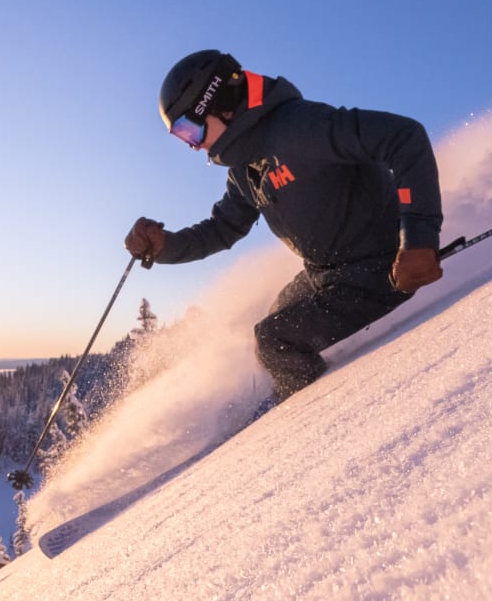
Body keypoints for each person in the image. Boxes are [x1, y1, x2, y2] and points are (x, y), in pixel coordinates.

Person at [127, 49, 445, 401]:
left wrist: (418, 239)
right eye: (183, 137)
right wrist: (164, 246)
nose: (193, 144)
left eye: (190, 129)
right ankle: (292, 399)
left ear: (221, 104)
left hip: (383, 268)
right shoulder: (244, 170)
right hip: (327, 273)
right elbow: (222, 228)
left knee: (274, 339)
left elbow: (404, 137)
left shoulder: (300, 127)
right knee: (276, 316)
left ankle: (315, 426)